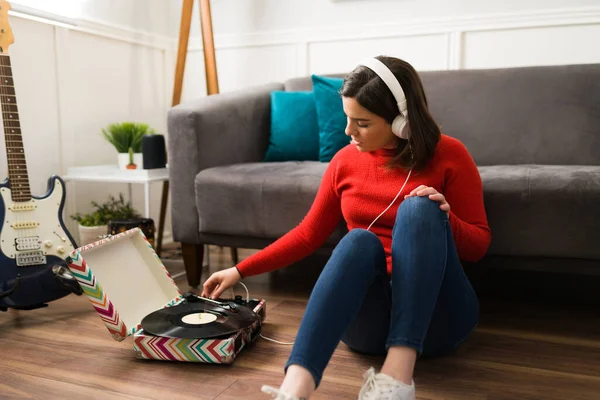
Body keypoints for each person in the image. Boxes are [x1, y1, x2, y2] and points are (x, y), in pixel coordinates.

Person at [201, 55, 491, 400]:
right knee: (358, 240)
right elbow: (308, 234)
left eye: (362, 123)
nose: (348, 132)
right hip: (370, 328)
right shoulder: (344, 161)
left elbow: (478, 245)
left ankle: (397, 380)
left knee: (419, 208)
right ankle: (294, 389)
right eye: (348, 119)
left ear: (402, 121)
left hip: (439, 319)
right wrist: (239, 269)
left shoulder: (451, 154)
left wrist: (445, 217)